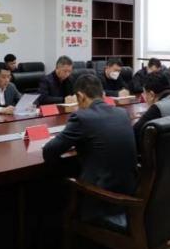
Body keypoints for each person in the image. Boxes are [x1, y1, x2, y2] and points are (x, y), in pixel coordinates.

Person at [43, 74, 137, 225]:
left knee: (58, 185)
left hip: (101, 199)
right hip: (129, 192)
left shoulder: (82, 117)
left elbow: (49, 151)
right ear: (102, 93)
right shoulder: (122, 113)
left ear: (80, 96)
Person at [134, 72, 170, 147]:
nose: (144, 97)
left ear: (151, 95)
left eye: (144, 94)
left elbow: (134, 133)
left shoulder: (157, 108)